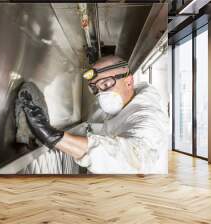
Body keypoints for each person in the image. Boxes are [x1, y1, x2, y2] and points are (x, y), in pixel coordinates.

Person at [20, 55, 169, 174]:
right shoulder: (123, 106)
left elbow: (136, 157)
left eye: (105, 84)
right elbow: (96, 129)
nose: (101, 95)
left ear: (128, 81)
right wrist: (54, 135)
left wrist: (53, 136)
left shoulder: (148, 116)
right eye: (96, 89)